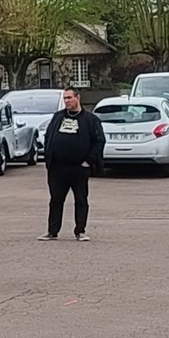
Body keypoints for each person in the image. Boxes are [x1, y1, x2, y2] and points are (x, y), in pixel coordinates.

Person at [39, 86, 105, 242]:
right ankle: (52, 231)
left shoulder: (90, 120)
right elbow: (48, 136)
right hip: (57, 168)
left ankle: (80, 231)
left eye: (69, 98)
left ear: (78, 98)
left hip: (79, 168)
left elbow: (99, 141)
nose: (67, 101)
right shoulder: (58, 117)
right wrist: (49, 158)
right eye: (65, 98)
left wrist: (88, 161)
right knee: (56, 200)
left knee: (81, 200)